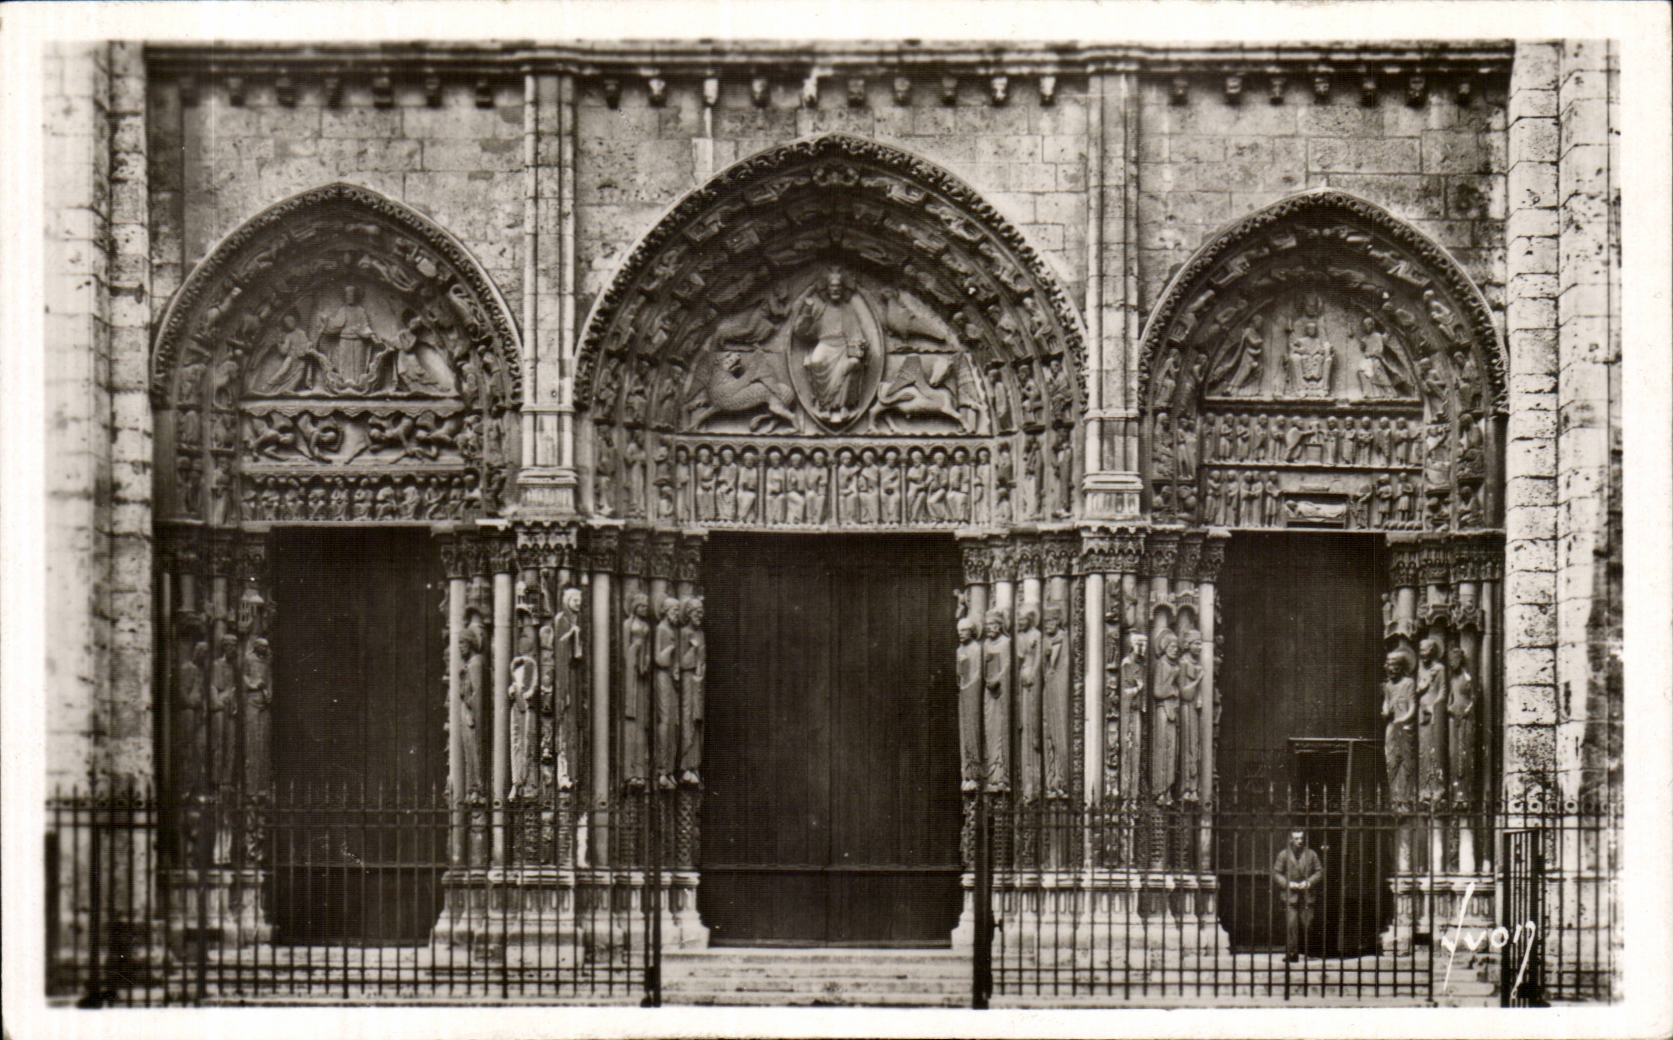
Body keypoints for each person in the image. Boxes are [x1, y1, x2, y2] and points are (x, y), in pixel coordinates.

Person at [1272, 828, 1325, 962]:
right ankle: (1292, 953)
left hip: (1307, 895)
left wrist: (1309, 882)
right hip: (1291, 895)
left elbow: (1319, 872)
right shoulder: (1283, 854)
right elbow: (1276, 873)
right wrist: (1288, 884)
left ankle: (1309, 952)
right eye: (1296, 838)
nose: (1299, 841)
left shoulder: (1311, 854)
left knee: (1308, 924)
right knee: (1291, 924)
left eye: (1301, 838)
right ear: (1290, 839)